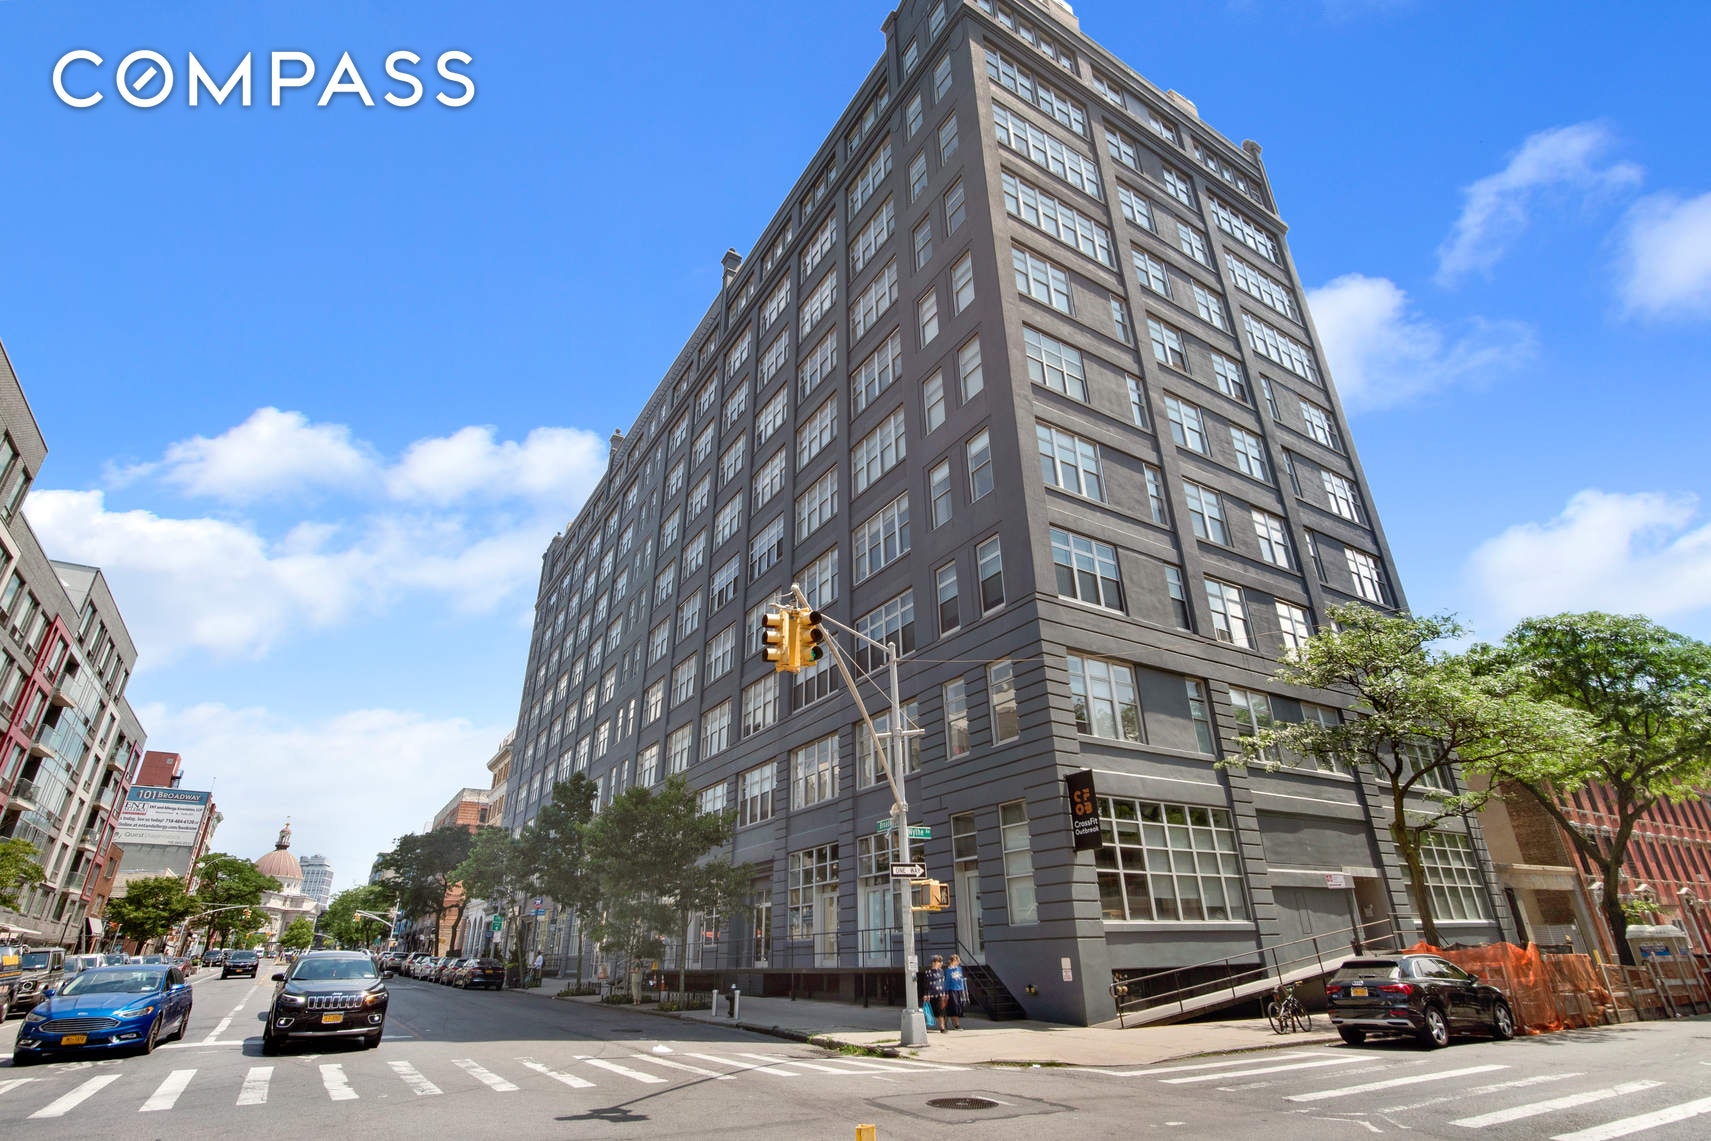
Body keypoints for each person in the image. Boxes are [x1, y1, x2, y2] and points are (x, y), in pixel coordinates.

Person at [924, 955, 948, 1034]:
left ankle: (942, 1027)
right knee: (930, 1011)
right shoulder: (928, 972)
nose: (936, 963)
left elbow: (943, 983)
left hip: (940, 994)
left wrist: (946, 993)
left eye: (938, 961)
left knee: (941, 1010)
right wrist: (926, 994)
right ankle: (925, 1026)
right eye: (934, 961)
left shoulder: (941, 971)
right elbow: (926, 984)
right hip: (931, 994)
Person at [944, 954, 968, 1030]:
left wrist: (963, 990)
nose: (958, 962)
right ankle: (956, 1025)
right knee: (954, 1006)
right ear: (952, 961)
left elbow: (961, 980)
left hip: (959, 990)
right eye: (956, 961)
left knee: (956, 1007)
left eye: (958, 961)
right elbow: (947, 982)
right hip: (951, 990)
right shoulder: (948, 970)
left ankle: (951, 1023)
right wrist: (946, 992)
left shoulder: (959, 968)